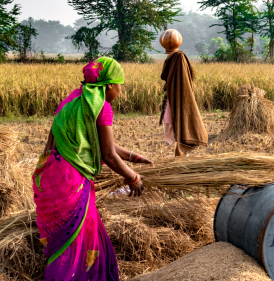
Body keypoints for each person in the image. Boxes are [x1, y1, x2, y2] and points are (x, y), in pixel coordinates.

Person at [33, 57, 152, 280]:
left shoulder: (75, 99)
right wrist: (133, 177)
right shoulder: (102, 107)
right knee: (77, 243)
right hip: (72, 181)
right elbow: (107, 155)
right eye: (119, 85)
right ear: (108, 85)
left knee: (63, 243)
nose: (120, 91)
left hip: (49, 177)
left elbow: (98, 142)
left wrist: (133, 156)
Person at [159, 29, 208, 157]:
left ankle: (182, 154)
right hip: (175, 97)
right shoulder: (176, 58)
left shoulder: (178, 58)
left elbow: (181, 83)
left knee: (182, 123)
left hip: (180, 97)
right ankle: (181, 155)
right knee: (178, 125)